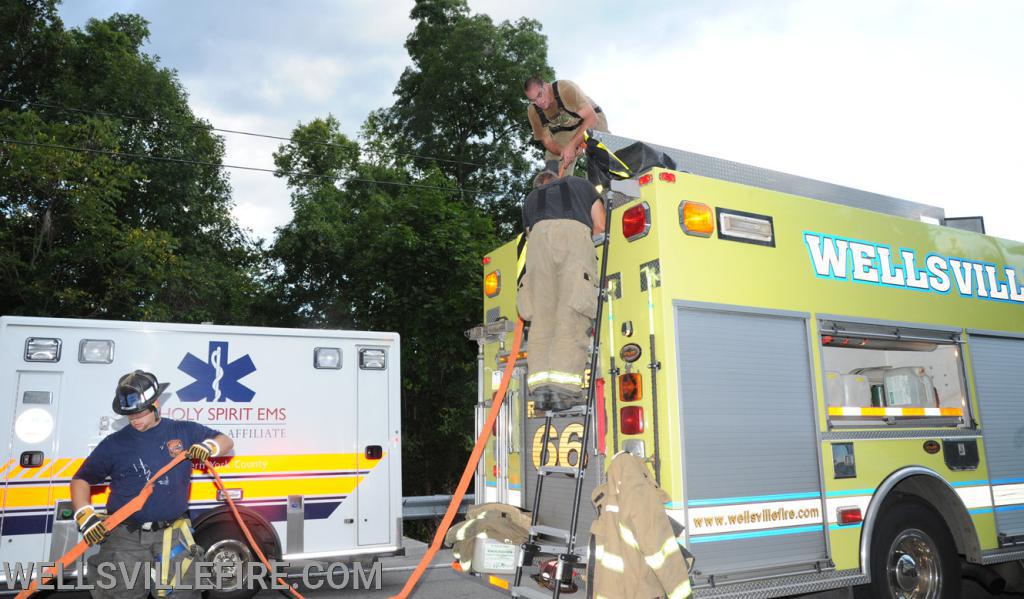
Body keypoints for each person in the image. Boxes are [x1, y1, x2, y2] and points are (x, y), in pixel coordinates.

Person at [71, 370, 234, 599]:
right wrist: (84, 514)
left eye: (140, 413)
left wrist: (210, 447)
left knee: (183, 593)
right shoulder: (114, 444)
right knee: (120, 593)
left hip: (173, 534)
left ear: (155, 404)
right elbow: (81, 479)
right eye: (130, 415)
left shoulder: (183, 431)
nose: (135, 419)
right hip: (126, 536)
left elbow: (225, 441)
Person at [517, 170, 606, 410]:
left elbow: (528, 236)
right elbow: (599, 226)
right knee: (571, 312)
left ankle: (542, 390)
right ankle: (564, 392)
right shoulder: (579, 184)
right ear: (555, 178)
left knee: (543, 318)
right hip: (572, 237)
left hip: (537, 246)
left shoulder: (530, 200)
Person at [524, 76, 609, 176]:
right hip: (564, 131)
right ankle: (557, 188)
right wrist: (564, 151)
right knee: (553, 165)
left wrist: (573, 145)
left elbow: (591, 118)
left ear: (546, 85)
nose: (539, 102)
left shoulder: (564, 88)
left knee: (602, 151)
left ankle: (617, 176)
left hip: (590, 119)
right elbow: (547, 141)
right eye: (533, 100)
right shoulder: (533, 111)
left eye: (540, 95)